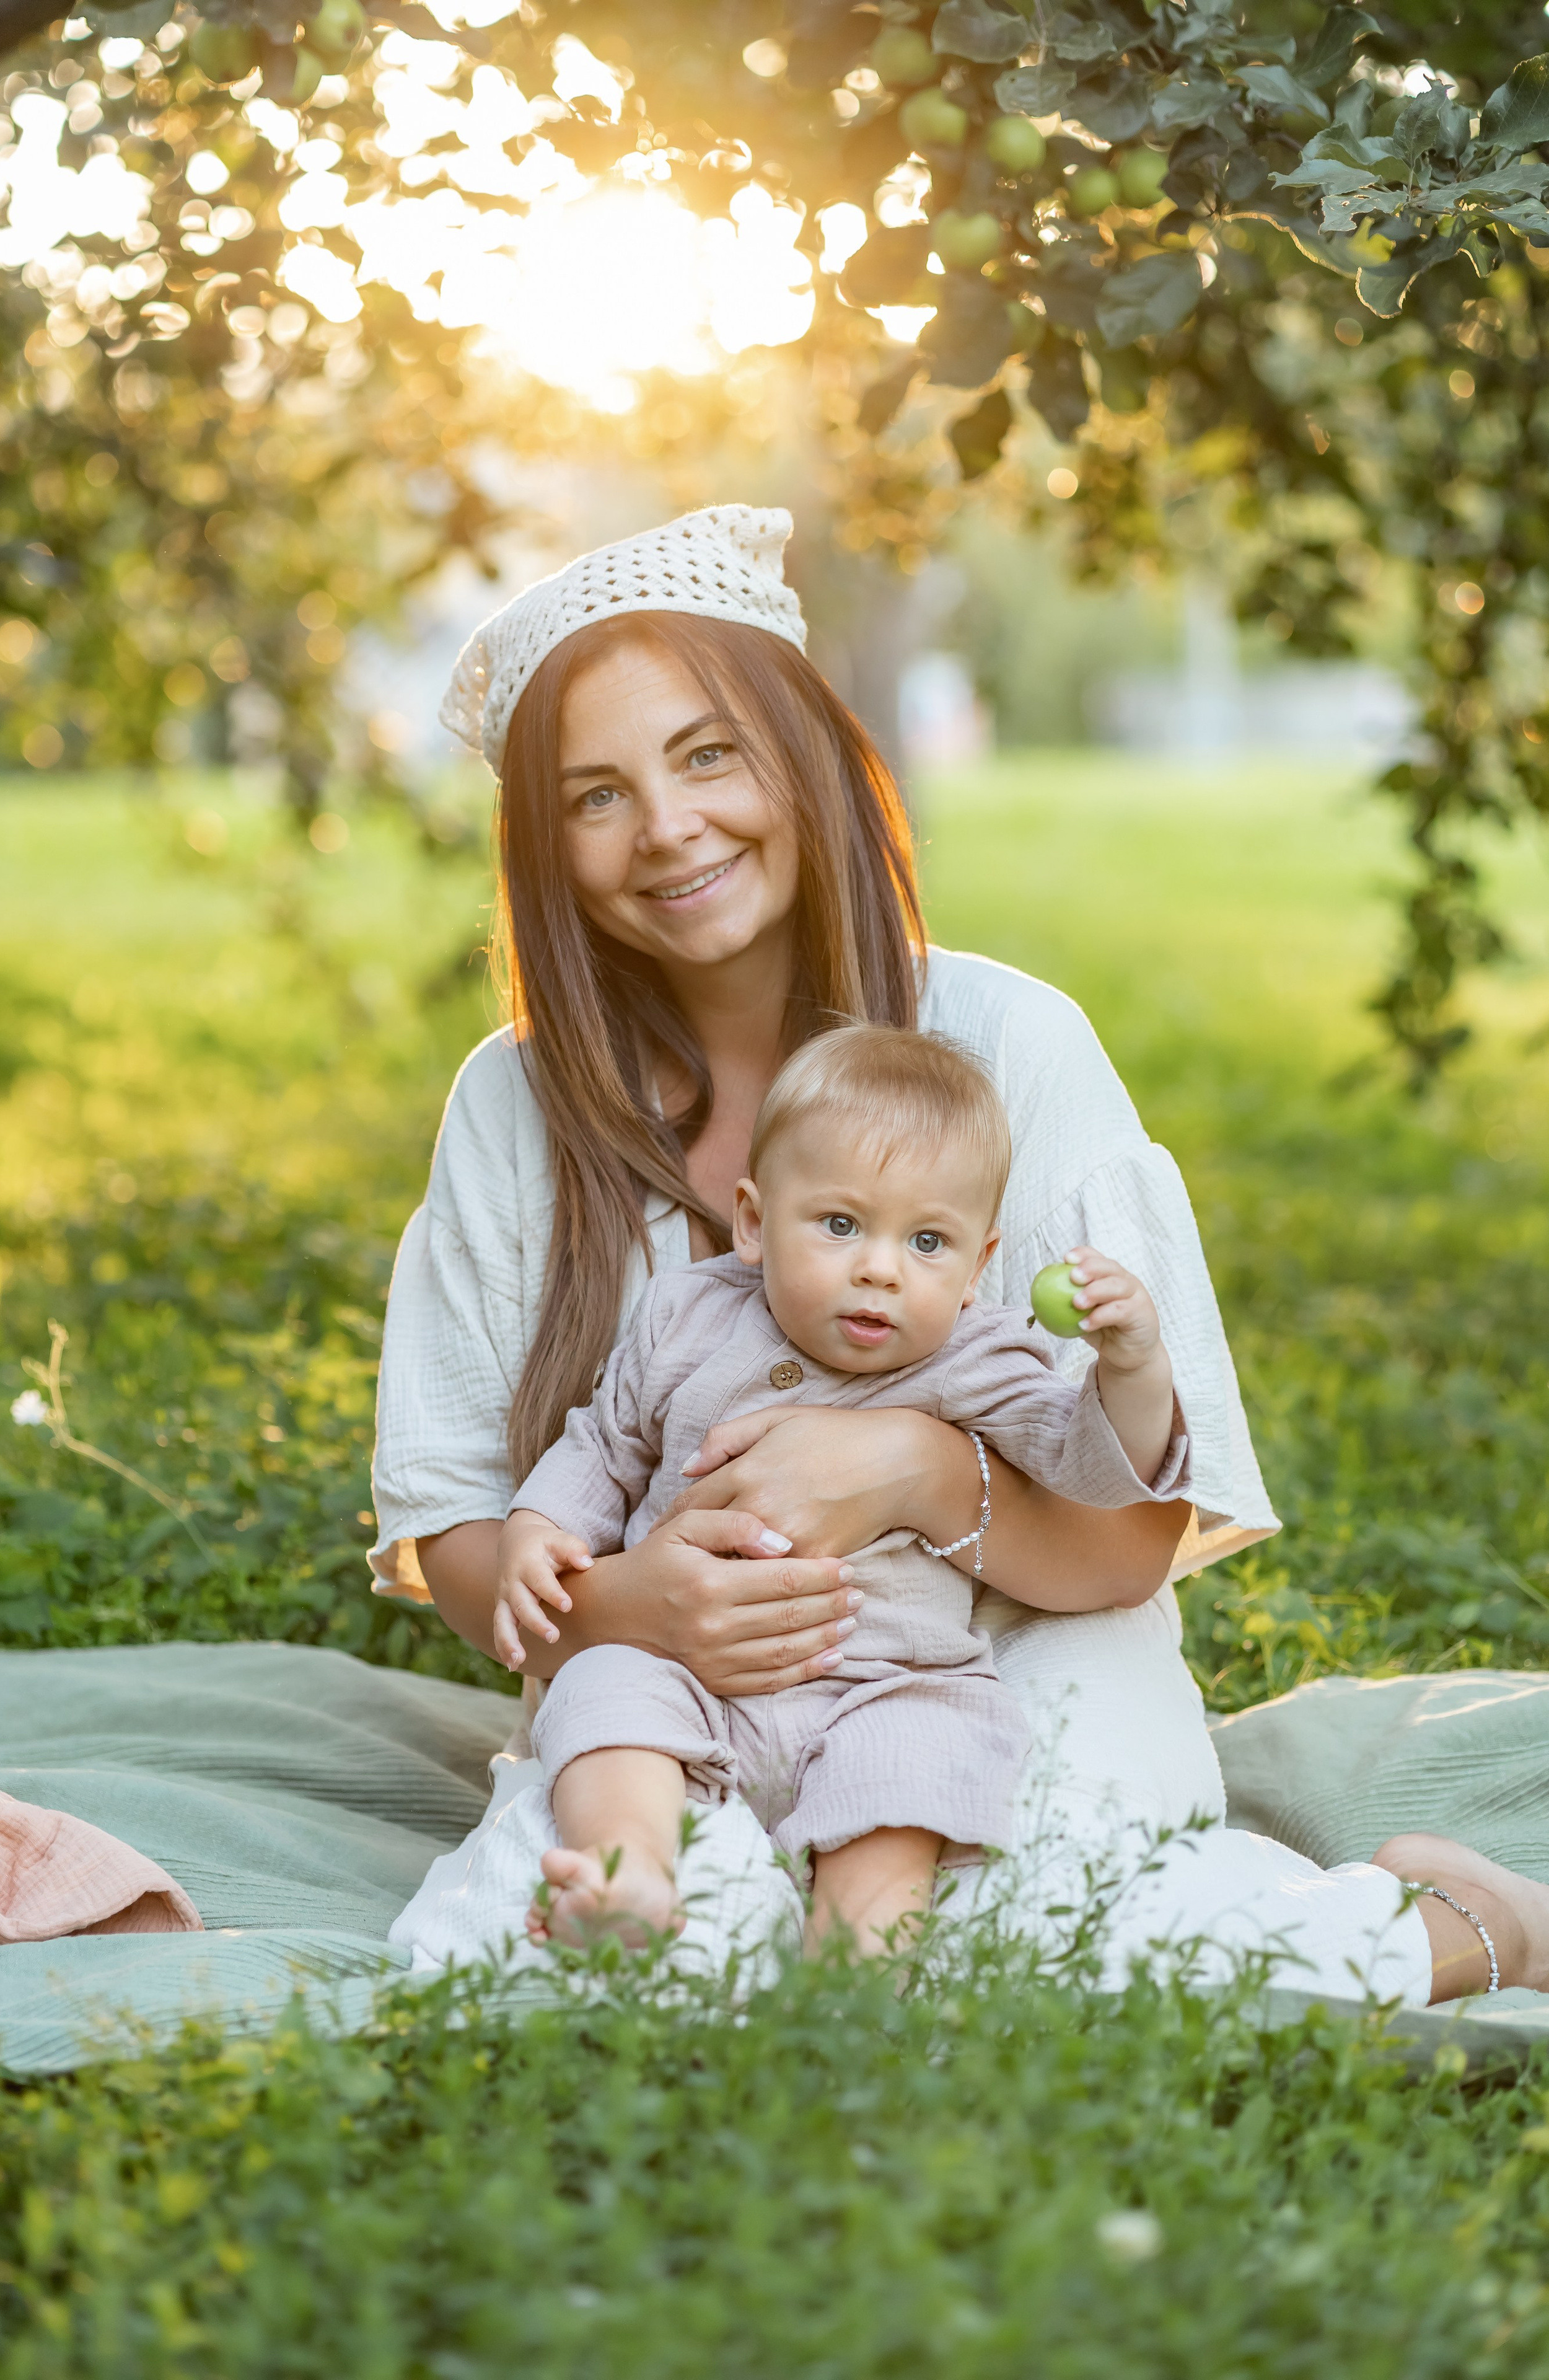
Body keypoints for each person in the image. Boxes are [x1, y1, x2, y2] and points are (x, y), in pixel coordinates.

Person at [372, 501, 1549, 2006]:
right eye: (595, 795)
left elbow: (1131, 1535)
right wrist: (628, 1604)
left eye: (708, 754)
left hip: (1004, 1651)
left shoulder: (1007, 1046)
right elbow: (467, 1527)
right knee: (603, 1965)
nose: (666, 828)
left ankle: (1463, 1923)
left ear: (802, 763)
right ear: (547, 850)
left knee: (1015, 1954)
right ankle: (663, 1889)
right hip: (680, 1687)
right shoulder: (513, 1105)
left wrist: (921, 1477)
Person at [499, 1025, 1188, 1955]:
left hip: (883, 1684)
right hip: (689, 1675)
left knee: (915, 1771)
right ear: (753, 1222)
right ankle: (628, 1877)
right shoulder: (687, 1319)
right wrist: (540, 1526)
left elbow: (1089, 1465)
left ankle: (857, 1971)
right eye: (839, 1224)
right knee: (604, 1688)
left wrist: (1132, 1369)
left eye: (929, 1241)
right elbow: (603, 1442)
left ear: (979, 1267)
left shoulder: (976, 1357)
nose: (880, 1267)